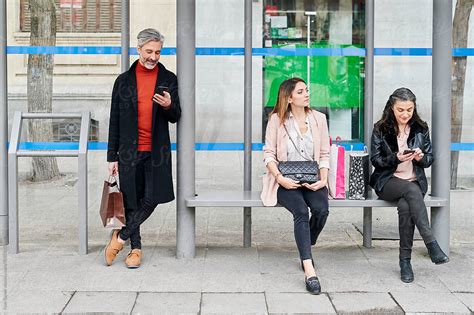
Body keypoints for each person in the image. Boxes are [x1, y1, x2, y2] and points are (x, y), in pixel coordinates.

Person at [104, 28, 181, 268]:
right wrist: (111, 156)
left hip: (156, 152)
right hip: (128, 150)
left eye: (158, 52)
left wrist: (169, 105)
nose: (153, 57)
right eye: (149, 51)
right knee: (130, 201)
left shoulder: (169, 79)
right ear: (138, 50)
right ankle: (135, 249)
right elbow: (114, 119)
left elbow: (176, 116)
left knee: (153, 197)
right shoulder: (123, 81)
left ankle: (120, 237)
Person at [370, 87, 449, 283]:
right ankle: (431, 243)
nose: (405, 114)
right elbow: (375, 160)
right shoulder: (380, 128)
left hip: (414, 182)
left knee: (406, 205)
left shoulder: (421, 128)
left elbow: (430, 159)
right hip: (387, 182)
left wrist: (421, 158)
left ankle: (405, 262)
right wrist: (394, 158)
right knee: (410, 190)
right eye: (401, 110)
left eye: (409, 109)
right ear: (391, 108)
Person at [261, 78, 330, 294]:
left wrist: (324, 179)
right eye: (301, 92)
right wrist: (280, 178)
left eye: (307, 90)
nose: (307, 94)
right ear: (289, 98)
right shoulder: (276, 120)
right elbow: (269, 154)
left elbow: (324, 154)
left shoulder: (319, 118)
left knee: (321, 210)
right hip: (285, 179)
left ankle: (306, 243)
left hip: (312, 176)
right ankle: (309, 269)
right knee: (301, 211)